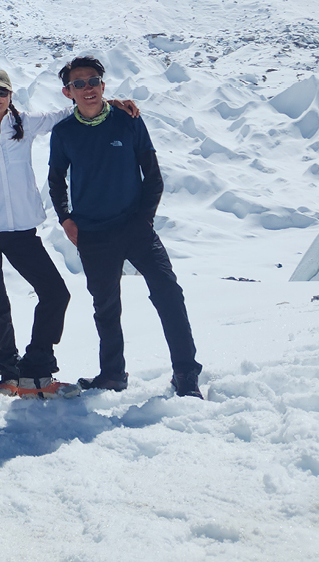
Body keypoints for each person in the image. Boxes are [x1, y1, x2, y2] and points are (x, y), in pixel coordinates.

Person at [0, 69, 140, 398]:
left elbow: (67, 114)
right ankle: (10, 377)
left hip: (21, 230)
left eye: (2, 91)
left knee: (55, 294)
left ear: (10, 95)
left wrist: (108, 102)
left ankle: (36, 368)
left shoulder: (25, 124)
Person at [47, 56, 203, 398]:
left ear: (103, 85)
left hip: (135, 226)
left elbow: (153, 175)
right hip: (93, 234)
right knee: (106, 306)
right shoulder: (63, 133)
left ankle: (186, 374)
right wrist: (67, 219)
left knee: (168, 294)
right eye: (79, 83)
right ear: (68, 92)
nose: (87, 88)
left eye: (93, 81)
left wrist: (143, 218)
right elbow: (56, 181)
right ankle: (113, 374)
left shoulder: (128, 120)